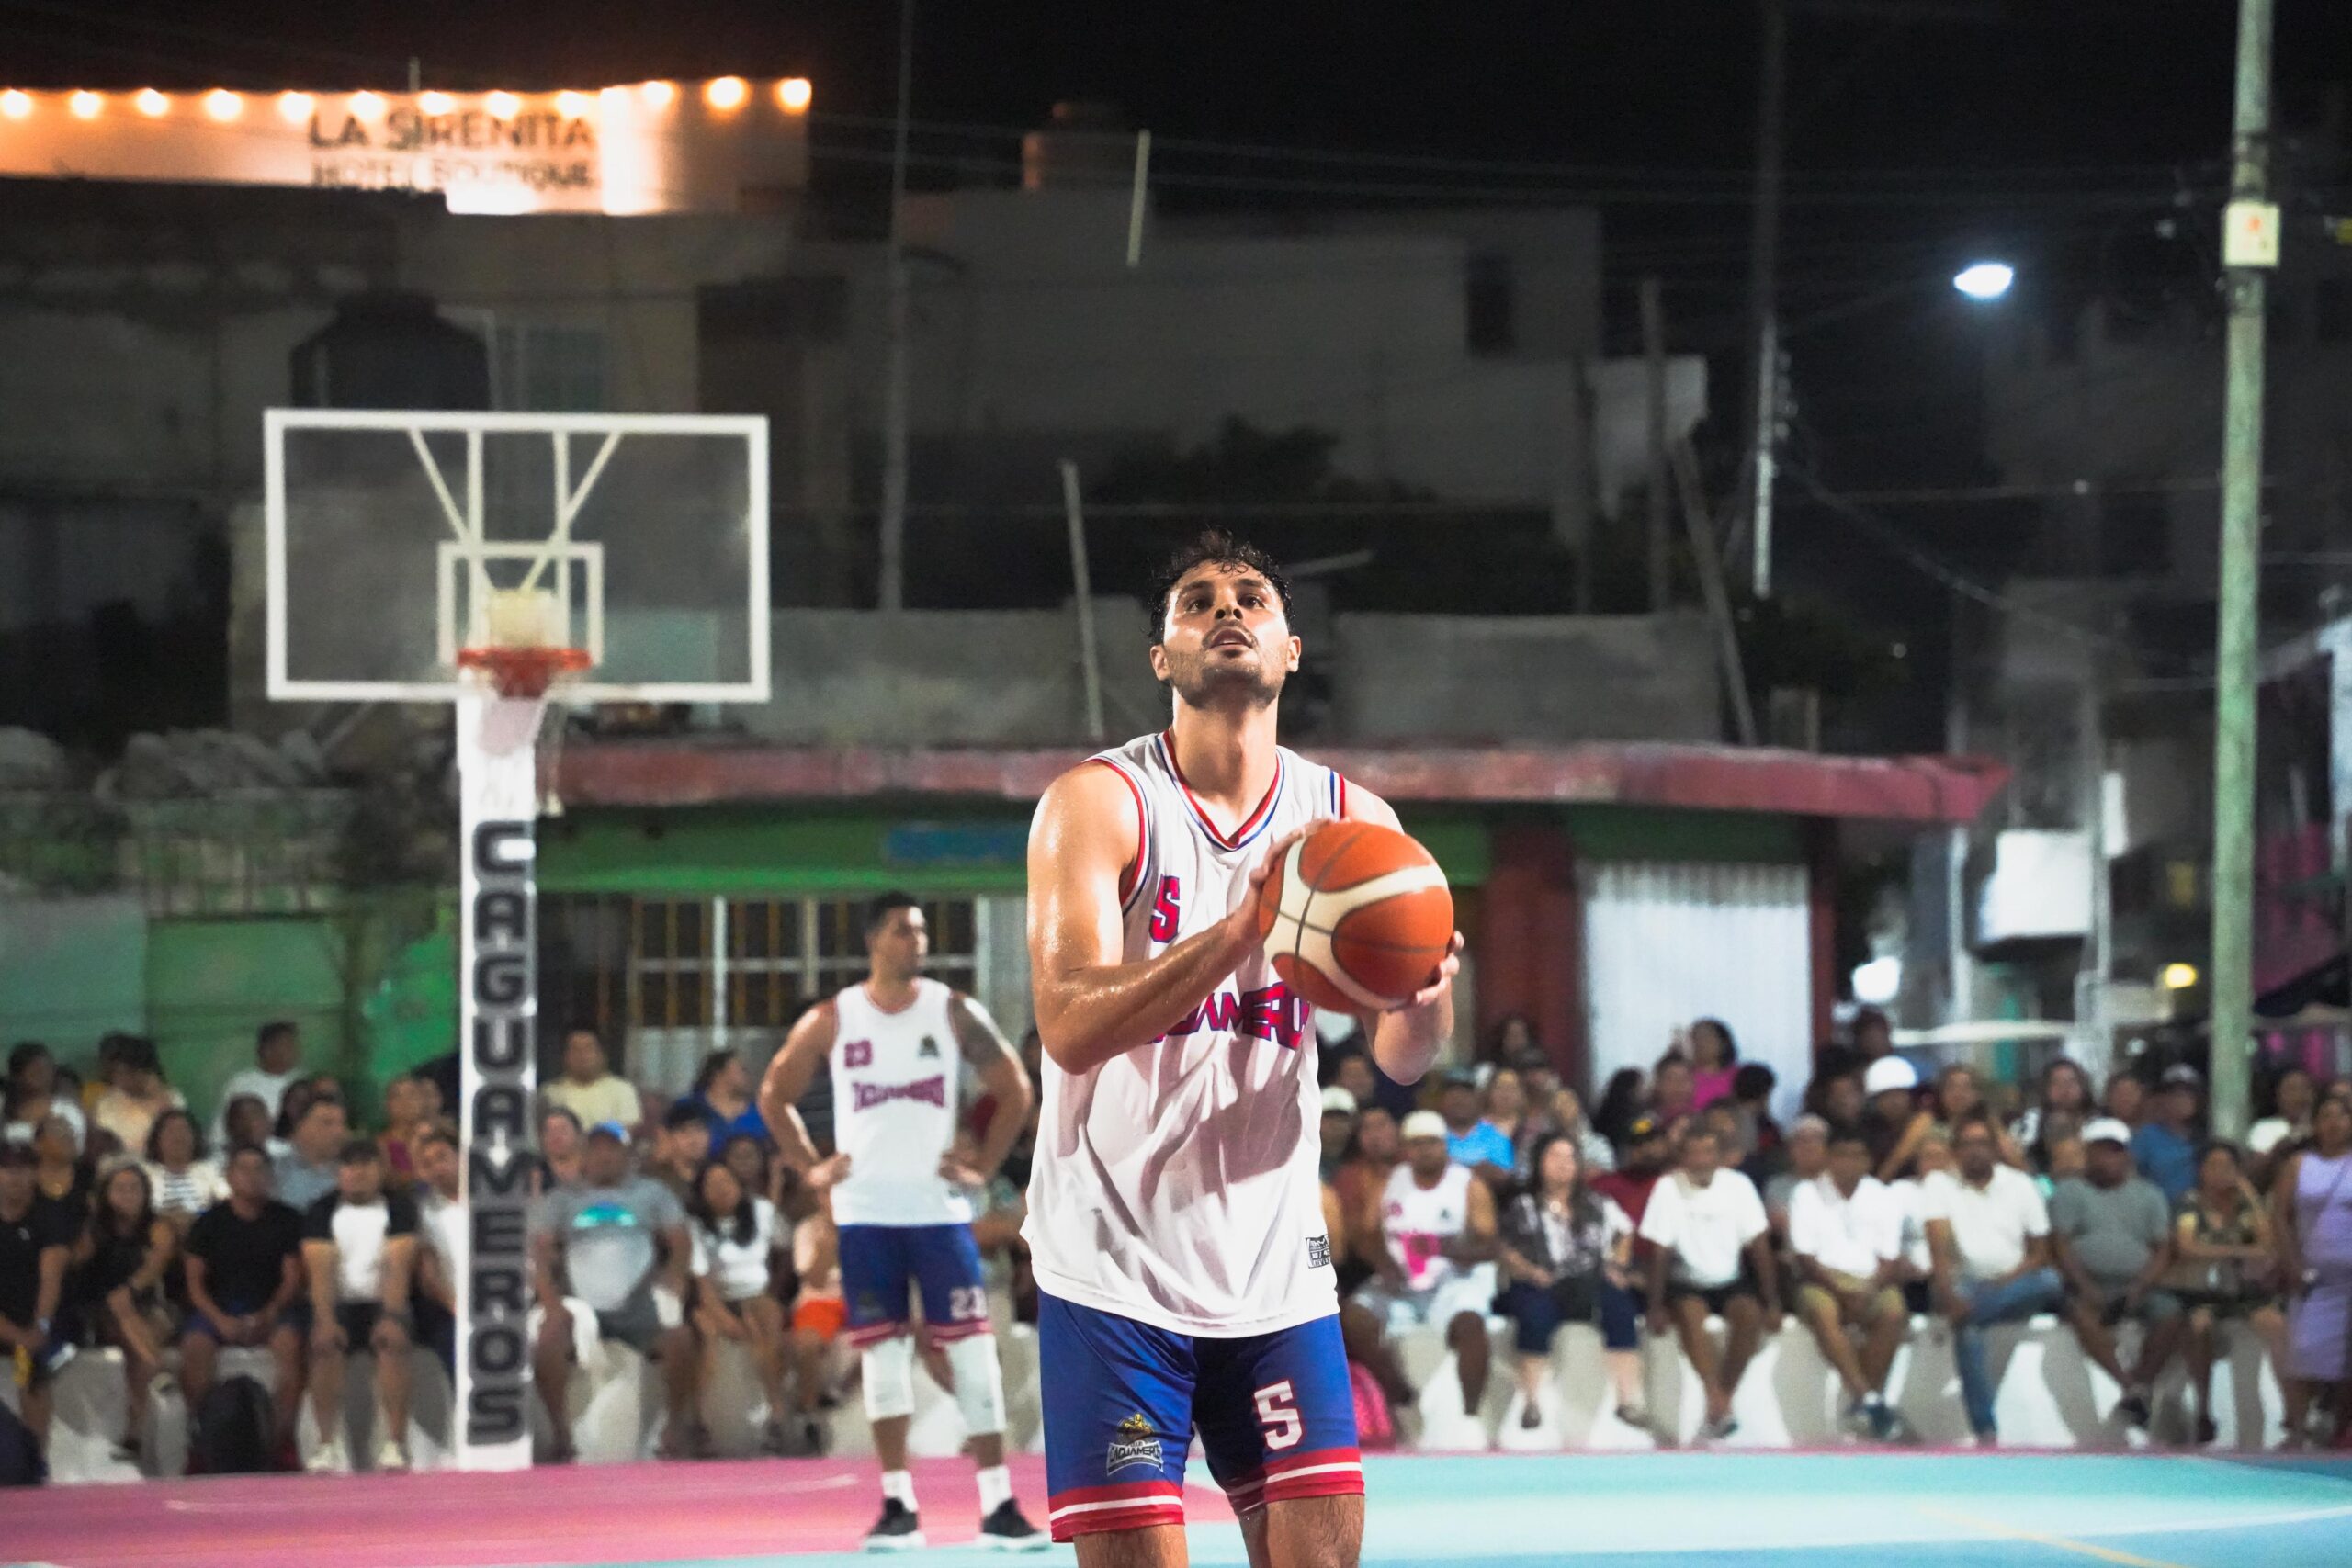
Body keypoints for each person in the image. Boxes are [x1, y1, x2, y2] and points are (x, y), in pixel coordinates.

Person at [1021, 531, 1461, 1564]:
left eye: (1251, 597)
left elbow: (1402, 1059)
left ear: (1290, 649)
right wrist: (1238, 931)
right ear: (1160, 658)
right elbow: (1070, 1023)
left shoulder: (1356, 822)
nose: (1228, 609)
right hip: (1114, 1268)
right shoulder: (1098, 802)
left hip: (1276, 1273)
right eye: (1198, 601)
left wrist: (1432, 992)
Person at [758, 892, 1046, 1551]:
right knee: (883, 1359)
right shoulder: (836, 1017)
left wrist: (984, 1165)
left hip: (936, 1212)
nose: (915, 939)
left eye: (920, 929)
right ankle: (897, 1503)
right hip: (864, 1214)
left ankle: (999, 1501)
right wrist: (811, 1166)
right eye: (900, 929)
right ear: (872, 940)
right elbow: (774, 1094)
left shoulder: (950, 1010)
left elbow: (1016, 1089)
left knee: (972, 1355)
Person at [531, 1122, 701, 1461]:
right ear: (584, 1154)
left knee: (681, 1339)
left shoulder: (652, 1193)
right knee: (548, 1340)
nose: (605, 1156)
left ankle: (673, 1428)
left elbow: (680, 1241)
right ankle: (561, 1434)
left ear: (627, 1155)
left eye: (613, 1148)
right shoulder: (561, 1199)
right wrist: (551, 1302)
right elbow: (537, 1252)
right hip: (579, 1304)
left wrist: (674, 1278)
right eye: (597, 1148)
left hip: (638, 1303)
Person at [1345, 1111, 1499, 1439]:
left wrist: (1442, 1249)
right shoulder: (1390, 1182)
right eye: (1417, 1144)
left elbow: (1489, 1246)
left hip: (1450, 1281)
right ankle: (1400, 1393)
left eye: (1432, 1143)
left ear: (1444, 1145)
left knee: (1471, 1325)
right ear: (1407, 1148)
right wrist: (1385, 1265)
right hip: (1400, 1282)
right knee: (1352, 1318)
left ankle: (1469, 1412)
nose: (1425, 1150)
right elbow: (1366, 1235)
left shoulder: (1467, 1184)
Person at [1923, 1113, 2066, 1446]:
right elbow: (1939, 1247)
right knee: (1968, 1326)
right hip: (1964, 1283)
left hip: (2016, 1286)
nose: (1975, 1151)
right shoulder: (1939, 1184)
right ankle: (1986, 1431)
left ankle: (1985, 1431)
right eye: (1967, 1144)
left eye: (1982, 1143)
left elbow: (2040, 1253)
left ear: (1995, 1149)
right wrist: (1947, 1292)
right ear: (1955, 1150)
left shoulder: (2021, 1185)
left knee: (2049, 1281)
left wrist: (2002, 1285)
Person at [1496, 1132, 1643, 1431]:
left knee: (1620, 1308)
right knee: (1533, 1316)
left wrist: (1618, 1263)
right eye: (1555, 1157)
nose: (1563, 1165)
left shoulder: (1598, 1204)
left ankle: (1626, 1399)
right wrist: (1527, 1270)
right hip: (1542, 1280)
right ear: (1539, 1163)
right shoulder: (1523, 1205)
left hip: (1589, 1280)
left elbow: (1625, 1232)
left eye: (1570, 1158)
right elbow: (1502, 1248)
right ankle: (1531, 1402)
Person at [1640, 1125, 1779, 1441]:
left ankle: (1720, 1401)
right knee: (1690, 1315)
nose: (1701, 1159)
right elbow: (1659, 1252)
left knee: (1750, 1315)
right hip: (1685, 1278)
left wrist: (1772, 1301)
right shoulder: (1667, 1187)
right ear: (1682, 1157)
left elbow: (1759, 1244)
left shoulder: (1739, 1186)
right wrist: (1655, 1305)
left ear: (1720, 1156)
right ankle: (1716, 1397)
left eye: (1708, 1152)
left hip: (1730, 1278)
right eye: (1694, 1152)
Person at [2048, 1118, 2182, 1428]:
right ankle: (2129, 1385)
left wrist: (2141, 1286)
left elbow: (2163, 1249)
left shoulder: (2150, 1194)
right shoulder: (2070, 1191)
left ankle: (2141, 1384)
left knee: (2171, 1313)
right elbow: (2061, 1245)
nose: (2109, 1158)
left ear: (2126, 1155)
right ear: (2088, 1153)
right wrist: (2084, 1285)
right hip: (2087, 1283)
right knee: (2079, 1311)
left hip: (2139, 1284)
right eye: (2101, 1151)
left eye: (2116, 1151)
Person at [300, 1138, 420, 1473]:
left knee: (392, 1342)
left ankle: (395, 1444)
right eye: (349, 1167)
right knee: (324, 1347)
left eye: (366, 1166)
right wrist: (324, 1320)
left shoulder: (399, 1207)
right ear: (339, 1173)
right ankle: (326, 1445)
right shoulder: (321, 1211)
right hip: (341, 1303)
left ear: (380, 1170)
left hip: (382, 1300)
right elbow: (319, 1272)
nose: (357, 1174)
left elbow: (398, 1265)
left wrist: (392, 1314)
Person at [180, 1142, 308, 1449]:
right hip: (219, 1307)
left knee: (291, 1349)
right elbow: (195, 1285)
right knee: (195, 1349)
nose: (252, 1176)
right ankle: (202, 1438)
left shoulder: (288, 1219)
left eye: (259, 1169)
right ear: (229, 1176)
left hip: (273, 1307)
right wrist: (220, 1320)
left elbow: (292, 1279)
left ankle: (279, 1442)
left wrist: (268, 1314)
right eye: (243, 1169)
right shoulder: (208, 1222)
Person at [1789, 1125, 1910, 1440]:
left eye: (1858, 1156)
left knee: (1894, 1312)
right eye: (1842, 1155)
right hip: (1824, 1279)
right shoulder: (1807, 1193)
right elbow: (1804, 1255)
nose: (1850, 1163)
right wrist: (1840, 1291)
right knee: (1822, 1311)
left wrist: (1869, 1289)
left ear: (1868, 1161)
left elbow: (1891, 1257)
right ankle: (1869, 1398)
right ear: (1829, 1158)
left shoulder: (1881, 1195)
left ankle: (1862, 1403)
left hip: (1872, 1279)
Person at [2174, 1141, 2289, 1446]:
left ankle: (2292, 1410)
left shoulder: (2244, 1206)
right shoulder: (2190, 1203)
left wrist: (2248, 1193)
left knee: (2277, 1325)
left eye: (2228, 1166)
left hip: (2244, 1294)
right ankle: (2203, 1408)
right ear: (2202, 1170)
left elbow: (2267, 1244)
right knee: (2199, 1327)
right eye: (2214, 1165)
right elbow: (2188, 1246)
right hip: (2204, 1293)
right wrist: (2238, 1250)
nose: (2221, 1172)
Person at [688, 1159, 797, 1454]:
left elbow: (786, 1249)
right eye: (712, 1185)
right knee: (708, 1338)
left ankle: (775, 1416)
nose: (721, 1190)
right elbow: (702, 1281)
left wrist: (774, 1291)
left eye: (727, 1182)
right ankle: (700, 1424)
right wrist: (723, 1318)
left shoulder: (762, 1211)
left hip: (757, 1294)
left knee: (766, 1321)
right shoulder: (694, 1225)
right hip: (713, 1298)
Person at [74, 1159, 176, 1458]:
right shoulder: (94, 1229)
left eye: (135, 1188)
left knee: (137, 1322)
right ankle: (157, 1372)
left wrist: (131, 1290)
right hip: (102, 1310)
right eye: (120, 1188)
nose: (128, 1195)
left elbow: (155, 1265)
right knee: (120, 1309)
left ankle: (135, 1434)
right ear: (106, 1193)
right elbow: (76, 1263)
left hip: (148, 1304)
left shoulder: (158, 1227)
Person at [2273, 1092, 2352, 1448]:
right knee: (2303, 1352)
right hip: (2312, 1277)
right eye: (2326, 1116)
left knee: (2347, 1360)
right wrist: (2291, 1263)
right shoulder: (2299, 1164)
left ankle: (2340, 1429)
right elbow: (2280, 1217)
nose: (2333, 1123)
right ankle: (2298, 1429)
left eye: (2341, 1116)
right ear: (2315, 1123)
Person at [0, 1141, 74, 1464]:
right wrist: (14, 1334)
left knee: (33, 1367)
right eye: (8, 1169)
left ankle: (35, 1461)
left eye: (23, 1169)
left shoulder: (50, 1216)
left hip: (38, 1320)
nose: (16, 1177)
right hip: (6, 1323)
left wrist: (38, 1326)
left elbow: (51, 1278)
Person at [410, 1122, 463, 1382]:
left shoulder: (493, 1202)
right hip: (450, 1309)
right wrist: (456, 1307)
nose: (436, 1168)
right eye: (427, 1164)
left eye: (442, 1158)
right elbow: (428, 1277)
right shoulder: (423, 1212)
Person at [90, 1035, 184, 1165]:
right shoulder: (106, 1104)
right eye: (116, 1073)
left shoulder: (172, 1098)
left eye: (125, 1072)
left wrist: (158, 1098)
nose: (120, 1079)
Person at [210, 1022, 304, 1150]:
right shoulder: (241, 1083)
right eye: (287, 1045)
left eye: (293, 1045)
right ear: (267, 1049)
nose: (294, 1051)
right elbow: (220, 1135)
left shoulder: (301, 1082)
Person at [544, 1029, 643, 1132]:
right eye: (575, 1049)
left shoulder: (623, 1090)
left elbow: (628, 1133)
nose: (582, 1056)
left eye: (588, 1049)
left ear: (602, 1055)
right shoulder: (550, 1093)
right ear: (565, 1056)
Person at [143, 1109, 226, 1231]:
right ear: (157, 1139)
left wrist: (197, 1216)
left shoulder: (210, 1171)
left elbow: (226, 1204)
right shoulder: (144, 1174)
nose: (178, 1137)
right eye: (171, 1131)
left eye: (183, 1130)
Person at [2133, 1066, 2203, 1204]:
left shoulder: (2205, 1137)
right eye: (2176, 1094)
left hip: (2196, 1216)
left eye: (2189, 1094)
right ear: (2163, 1099)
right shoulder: (2147, 1137)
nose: (2183, 1100)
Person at [1437, 1068, 1515, 1190]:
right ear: (1442, 1100)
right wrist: (1477, 1168)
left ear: (1478, 1099)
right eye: (1453, 1095)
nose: (1459, 1100)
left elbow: (1503, 1176)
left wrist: (1450, 1167)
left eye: (1466, 1095)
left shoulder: (1496, 1136)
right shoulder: (1432, 1133)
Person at [4, 1042, 87, 1153]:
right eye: (35, 1071)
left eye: (47, 1069)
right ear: (18, 1076)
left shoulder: (67, 1111)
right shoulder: (5, 1109)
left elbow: (75, 1151)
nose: (43, 1076)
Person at [2012, 1059, 2096, 1169]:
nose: (2065, 1089)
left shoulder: (2099, 1124)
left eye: (2071, 1082)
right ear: (2045, 1088)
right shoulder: (2028, 1123)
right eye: (2056, 1083)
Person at [274, 1094, 347, 1213]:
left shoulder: (349, 1174)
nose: (338, 1132)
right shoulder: (275, 1171)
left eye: (341, 1124)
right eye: (327, 1123)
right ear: (301, 1126)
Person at [682, 1051, 766, 1149]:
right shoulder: (688, 1109)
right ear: (718, 1074)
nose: (747, 1076)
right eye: (741, 1070)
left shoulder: (761, 1112)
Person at [2248, 1067, 2318, 1186]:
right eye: (2291, 1089)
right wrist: (2278, 1150)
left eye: (2304, 1088)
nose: (2298, 1096)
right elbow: (2254, 1173)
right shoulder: (2264, 1128)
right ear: (2278, 1096)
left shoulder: (2321, 1127)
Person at [1864, 1057, 1927, 1181]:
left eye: (1899, 1094)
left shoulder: (1925, 1124)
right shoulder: (1867, 1131)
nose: (1894, 1102)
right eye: (1886, 1096)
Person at [649, 1101, 715, 1205]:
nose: (694, 1140)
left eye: (700, 1129)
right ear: (668, 1136)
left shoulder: (718, 1175)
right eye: (684, 1131)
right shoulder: (656, 1181)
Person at [1687, 1019, 1739, 1112]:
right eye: (1695, 1038)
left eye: (1706, 1038)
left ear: (1723, 1043)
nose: (1700, 1044)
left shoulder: (1738, 1076)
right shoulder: (1683, 1076)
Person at [1592, 1068, 1649, 1151]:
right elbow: (1631, 1131)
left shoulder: (1640, 1109)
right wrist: (1648, 1123)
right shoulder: (1616, 1114)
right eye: (1641, 1086)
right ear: (1631, 1090)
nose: (1645, 1090)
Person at [537, 1105, 584, 1193]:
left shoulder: (595, 1170)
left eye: (563, 1131)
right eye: (549, 1131)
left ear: (579, 1134)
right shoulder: (534, 1173)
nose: (556, 1137)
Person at [221, 1094, 283, 1163]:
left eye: (264, 1115)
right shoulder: (217, 1164)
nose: (268, 1121)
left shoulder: (281, 1156)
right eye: (257, 1117)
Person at [1317, 1087, 1359, 1184]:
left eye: (1342, 1118)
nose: (1335, 1124)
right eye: (1329, 1117)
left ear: (1353, 1122)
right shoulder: (1302, 1158)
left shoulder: (1361, 1159)